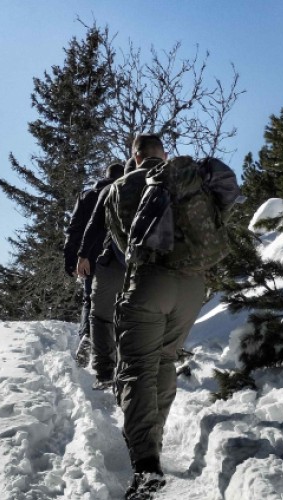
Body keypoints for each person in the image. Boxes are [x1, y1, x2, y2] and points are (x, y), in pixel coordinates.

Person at [105, 135, 206, 499]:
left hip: (151, 281)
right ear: (163, 154)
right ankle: (153, 444)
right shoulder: (188, 179)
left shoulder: (123, 186)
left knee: (136, 368)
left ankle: (146, 465)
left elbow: (123, 244)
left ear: (134, 156)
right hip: (194, 287)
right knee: (164, 360)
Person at [76, 157, 136, 390]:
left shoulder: (109, 191)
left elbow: (93, 226)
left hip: (112, 261)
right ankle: (134, 368)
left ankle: (104, 371)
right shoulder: (157, 186)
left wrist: (81, 255)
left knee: (99, 313)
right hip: (151, 267)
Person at [63, 162, 124, 367]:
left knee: (90, 300)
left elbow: (74, 229)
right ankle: (115, 346)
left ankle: (86, 337)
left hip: (89, 256)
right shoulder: (123, 192)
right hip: (116, 257)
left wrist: (71, 258)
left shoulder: (87, 196)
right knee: (119, 300)